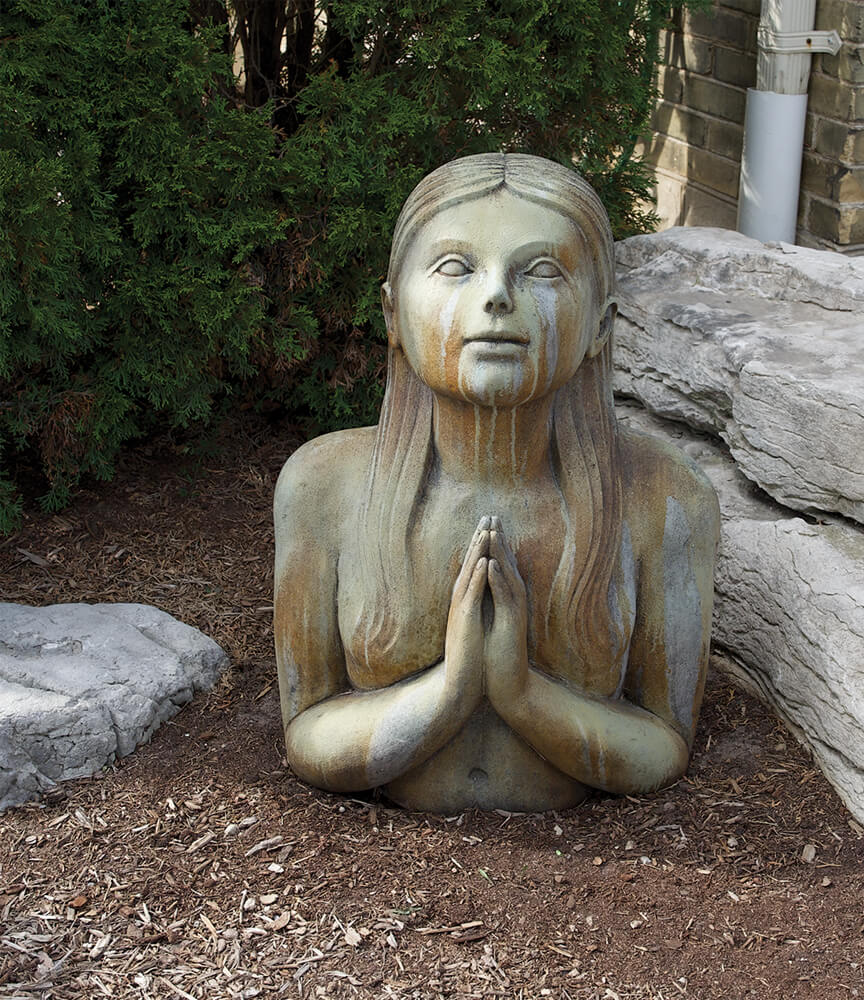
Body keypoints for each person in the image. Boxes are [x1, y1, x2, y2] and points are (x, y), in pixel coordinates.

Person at [273, 153, 719, 812]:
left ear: (600, 325)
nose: (497, 295)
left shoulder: (666, 497)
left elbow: (664, 744)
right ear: (393, 315)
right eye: (456, 267)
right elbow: (307, 735)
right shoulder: (323, 486)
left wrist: (522, 694)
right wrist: (451, 690)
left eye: (541, 270)